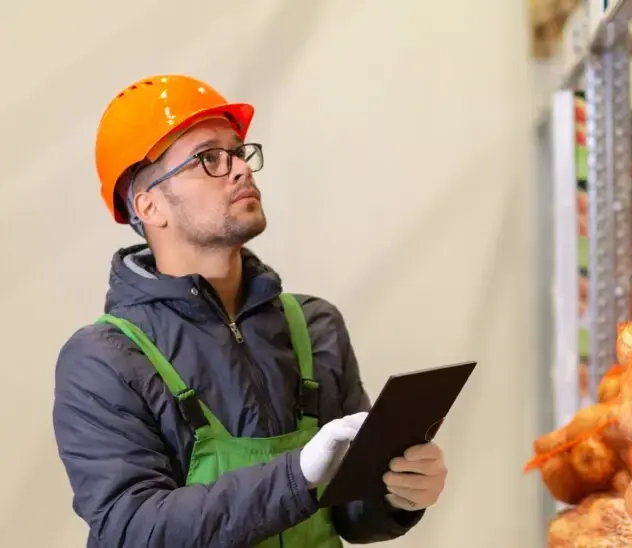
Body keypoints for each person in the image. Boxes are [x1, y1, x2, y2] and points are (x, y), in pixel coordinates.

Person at [52, 74, 448, 547]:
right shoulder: (103, 360)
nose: (240, 169)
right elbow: (134, 530)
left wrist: (396, 496)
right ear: (150, 206)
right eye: (209, 159)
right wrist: (296, 473)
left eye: (238, 152)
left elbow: (349, 511)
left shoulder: (314, 326)